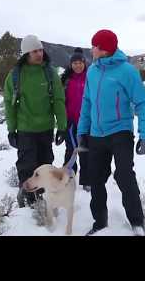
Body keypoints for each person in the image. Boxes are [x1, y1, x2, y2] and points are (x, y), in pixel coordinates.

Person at [77, 29, 145, 236]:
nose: (91, 49)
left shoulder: (127, 71)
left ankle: (137, 222)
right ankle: (100, 222)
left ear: (104, 49)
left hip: (120, 132)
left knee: (125, 175)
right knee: (96, 178)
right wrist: (82, 131)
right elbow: (87, 103)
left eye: (94, 45)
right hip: (96, 134)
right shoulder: (92, 71)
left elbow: (142, 102)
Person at [4, 35, 67, 208]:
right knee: (26, 165)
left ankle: (40, 196)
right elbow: (9, 105)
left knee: (45, 163)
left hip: (46, 128)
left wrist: (61, 127)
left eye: (40, 50)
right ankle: (27, 198)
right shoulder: (15, 76)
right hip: (25, 128)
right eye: (34, 51)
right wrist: (11, 130)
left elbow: (59, 101)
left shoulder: (50, 73)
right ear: (26, 54)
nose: (39, 54)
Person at [61, 47, 91, 191]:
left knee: (86, 150)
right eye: (75, 63)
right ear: (71, 64)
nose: (77, 65)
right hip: (71, 121)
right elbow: (60, 101)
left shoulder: (91, 77)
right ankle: (69, 177)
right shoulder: (66, 79)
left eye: (80, 62)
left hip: (87, 122)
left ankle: (87, 180)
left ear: (84, 63)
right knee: (71, 150)